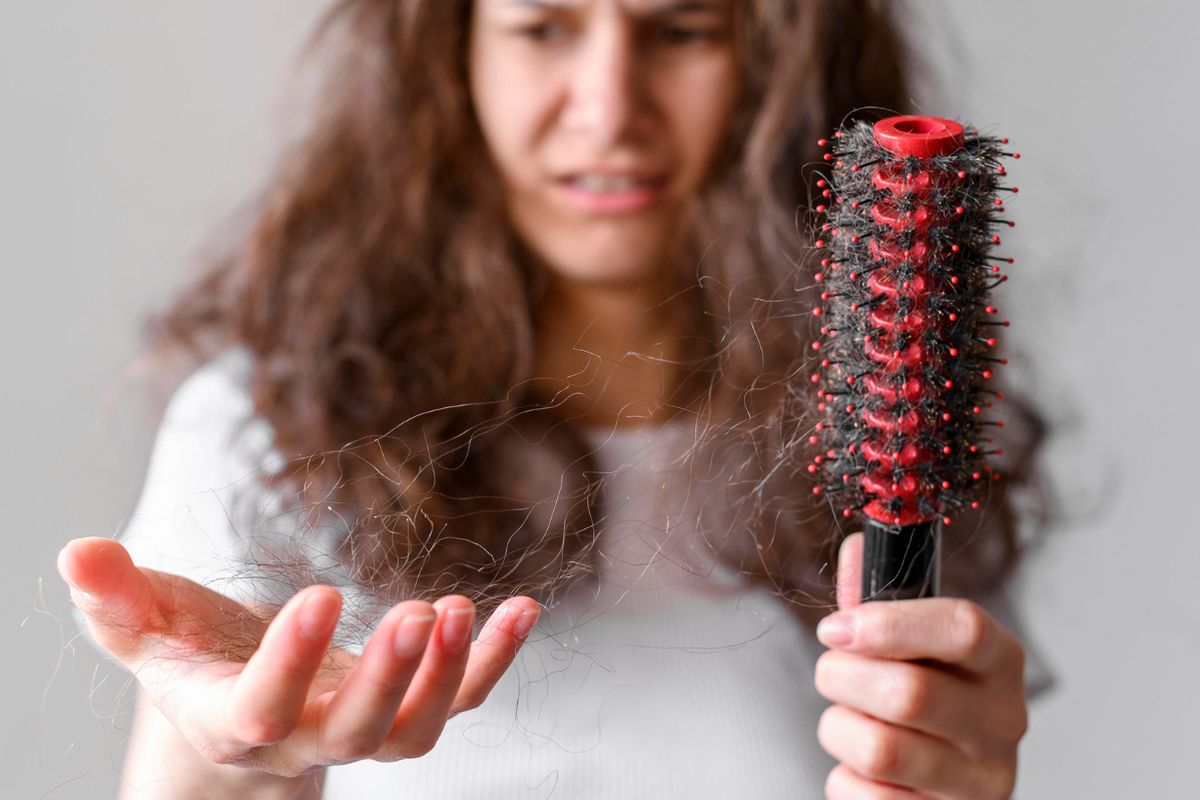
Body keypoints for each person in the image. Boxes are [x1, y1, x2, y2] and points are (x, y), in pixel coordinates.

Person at [58, 1, 1048, 797]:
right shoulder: (266, 424)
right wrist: (224, 753)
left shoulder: (900, 439)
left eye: (681, 29)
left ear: (781, 58)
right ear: (453, 53)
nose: (610, 106)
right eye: (543, 28)